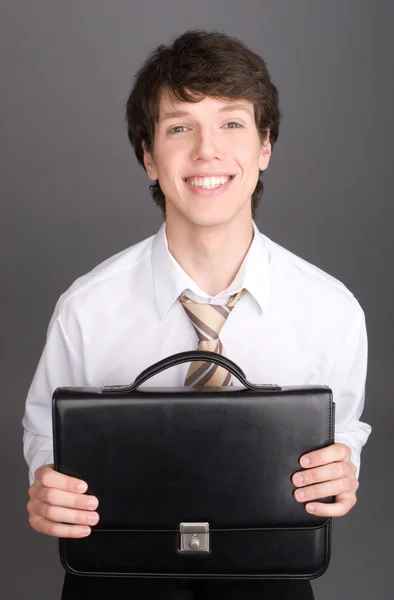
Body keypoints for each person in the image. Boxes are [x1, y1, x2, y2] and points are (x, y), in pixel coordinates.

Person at [22, 28, 371, 599]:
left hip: (271, 572)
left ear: (265, 147)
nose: (207, 151)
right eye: (179, 127)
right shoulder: (85, 307)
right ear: (149, 159)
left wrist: (341, 469)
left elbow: (346, 425)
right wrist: (46, 483)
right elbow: (45, 433)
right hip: (117, 573)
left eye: (231, 123)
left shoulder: (332, 309)